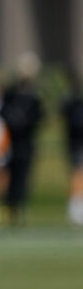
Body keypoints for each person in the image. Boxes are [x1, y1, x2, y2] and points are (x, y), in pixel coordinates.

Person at [0, 52, 45, 225]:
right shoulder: (12, 92)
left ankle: (21, 209)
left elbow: (39, 117)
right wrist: (12, 120)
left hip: (27, 142)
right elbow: (2, 111)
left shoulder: (34, 95)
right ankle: (8, 209)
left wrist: (26, 121)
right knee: (10, 175)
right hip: (11, 142)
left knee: (24, 177)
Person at [62, 69, 83, 225]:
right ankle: (76, 207)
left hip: (75, 142)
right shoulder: (71, 102)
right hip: (77, 143)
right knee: (77, 172)